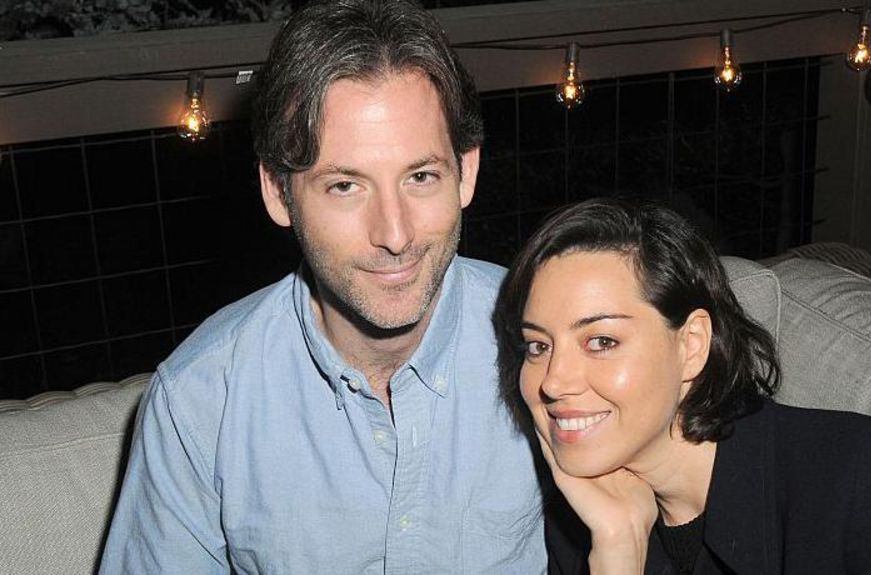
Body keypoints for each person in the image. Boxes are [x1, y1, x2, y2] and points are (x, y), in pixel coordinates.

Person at [100, 1, 545, 572]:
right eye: (345, 186)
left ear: (467, 172)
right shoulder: (201, 402)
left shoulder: (550, 339)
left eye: (421, 176)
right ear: (278, 193)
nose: (395, 234)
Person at [492, 198, 871, 574]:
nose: (552, 381)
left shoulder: (869, 475)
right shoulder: (582, 516)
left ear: (692, 345)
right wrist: (618, 549)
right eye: (537, 346)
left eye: (600, 341)